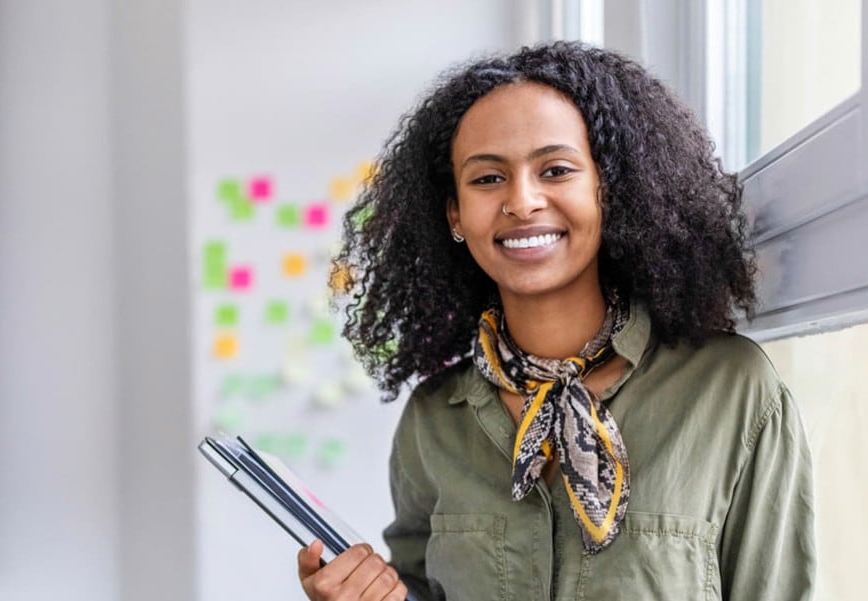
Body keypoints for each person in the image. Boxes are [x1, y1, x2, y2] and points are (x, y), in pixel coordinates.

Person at [295, 41, 815, 601]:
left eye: (556, 169)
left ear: (607, 191)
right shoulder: (432, 422)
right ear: (455, 214)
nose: (522, 201)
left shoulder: (733, 390)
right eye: (487, 179)